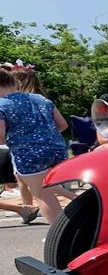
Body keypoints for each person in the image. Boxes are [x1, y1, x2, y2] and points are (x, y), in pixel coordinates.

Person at [0, 67, 71, 224]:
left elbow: (0, 137)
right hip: (57, 150)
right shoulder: (41, 99)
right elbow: (62, 124)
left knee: (43, 195)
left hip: (28, 154)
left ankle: (60, 237)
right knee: (47, 188)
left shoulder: (2, 104)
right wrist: (44, 136)